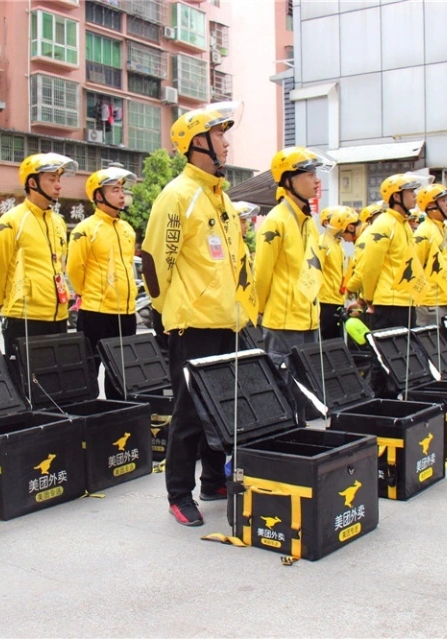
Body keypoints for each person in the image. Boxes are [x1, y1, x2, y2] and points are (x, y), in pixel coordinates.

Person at [142, 101, 246, 527]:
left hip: (227, 321)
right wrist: (168, 313)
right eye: (219, 134)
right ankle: (179, 493)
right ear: (197, 143)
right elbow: (155, 262)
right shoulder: (177, 195)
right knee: (188, 413)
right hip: (192, 323)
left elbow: (237, 261)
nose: (226, 142)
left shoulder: (222, 198)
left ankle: (213, 481)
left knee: (221, 407)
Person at [255, 147, 333, 370]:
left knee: (309, 383)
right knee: (286, 383)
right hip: (283, 323)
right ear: (288, 180)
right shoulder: (276, 221)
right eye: (310, 174)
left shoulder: (308, 222)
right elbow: (261, 273)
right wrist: (260, 310)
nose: (316, 181)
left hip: (309, 319)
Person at [0, 153, 77, 356]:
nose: (58, 185)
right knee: (26, 375)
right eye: (52, 179)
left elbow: (60, 265)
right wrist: (3, 304)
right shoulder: (12, 221)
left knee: (58, 374)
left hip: (58, 315)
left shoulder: (58, 222)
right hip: (24, 317)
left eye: (59, 179)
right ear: (32, 183)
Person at [66, 167, 139, 400]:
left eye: (122, 190)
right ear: (98, 196)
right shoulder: (86, 229)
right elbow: (74, 269)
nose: (121, 195)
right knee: (89, 369)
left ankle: (118, 414)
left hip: (126, 313)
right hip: (95, 312)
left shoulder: (127, 230)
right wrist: (86, 294)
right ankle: (88, 413)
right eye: (115, 190)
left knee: (120, 374)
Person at [346, 174, 425, 330]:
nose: (415, 196)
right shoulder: (384, 224)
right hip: (390, 304)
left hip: (405, 300)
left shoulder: (403, 224)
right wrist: (368, 298)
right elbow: (371, 266)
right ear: (396, 196)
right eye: (410, 191)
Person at [413, 183, 447, 327]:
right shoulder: (424, 231)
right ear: (431, 206)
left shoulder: (442, 229)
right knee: (433, 340)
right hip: (432, 302)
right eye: (443, 201)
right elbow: (415, 267)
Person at [318, 205, 358, 340]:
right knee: (328, 341)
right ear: (326, 222)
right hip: (325, 301)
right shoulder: (322, 242)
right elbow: (315, 270)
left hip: (337, 300)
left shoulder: (338, 245)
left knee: (337, 340)